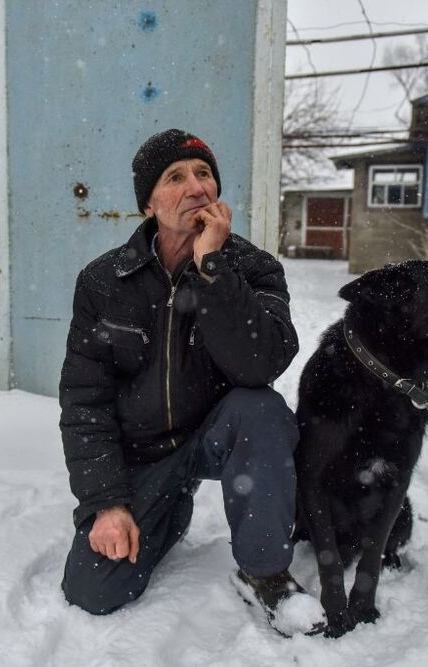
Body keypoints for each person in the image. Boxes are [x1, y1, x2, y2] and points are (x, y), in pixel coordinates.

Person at [58, 129, 308, 627]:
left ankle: (266, 571)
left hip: (214, 434)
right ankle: (167, 507)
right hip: (142, 454)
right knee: (93, 589)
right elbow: (85, 401)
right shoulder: (103, 282)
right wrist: (107, 503)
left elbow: (260, 366)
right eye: (176, 177)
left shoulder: (253, 269)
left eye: (204, 174)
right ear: (148, 204)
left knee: (260, 408)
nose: (196, 187)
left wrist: (212, 270)